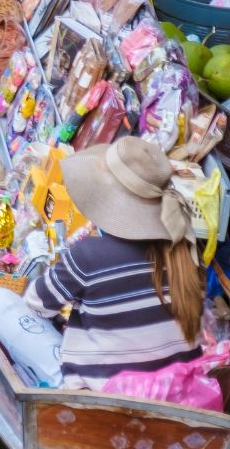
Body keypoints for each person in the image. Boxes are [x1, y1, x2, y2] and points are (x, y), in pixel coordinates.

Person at [13, 137, 201, 389]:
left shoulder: (88, 255)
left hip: (103, 396)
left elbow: (36, 305)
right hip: (171, 389)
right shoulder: (188, 254)